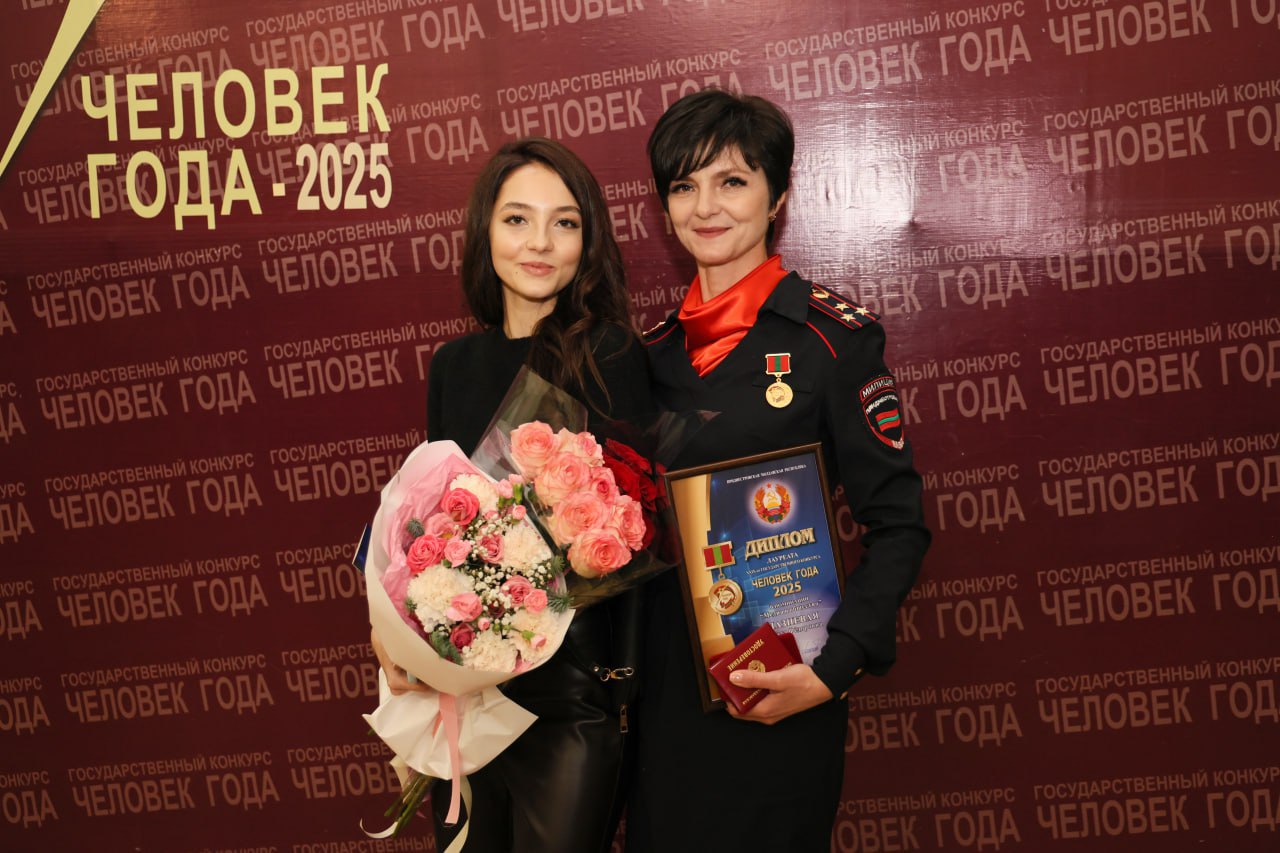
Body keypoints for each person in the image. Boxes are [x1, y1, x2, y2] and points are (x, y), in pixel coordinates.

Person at [627, 89, 930, 852]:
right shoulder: (644, 358)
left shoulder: (832, 341)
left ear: (779, 195)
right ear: (664, 207)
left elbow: (899, 526)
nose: (705, 207)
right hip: (665, 710)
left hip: (784, 690)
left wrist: (833, 670)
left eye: (732, 181)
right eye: (684, 186)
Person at [371, 137, 651, 852]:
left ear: (588, 241)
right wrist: (395, 631)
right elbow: (425, 523)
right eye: (517, 219)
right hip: (463, 685)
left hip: (570, 693)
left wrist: (621, 686)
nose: (540, 243)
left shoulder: (612, 355)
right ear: (484, 231)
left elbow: (634, 534)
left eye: (565, 223)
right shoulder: (454, 365)